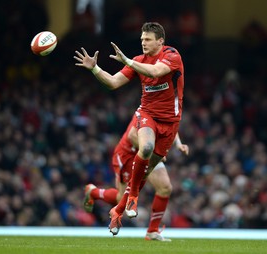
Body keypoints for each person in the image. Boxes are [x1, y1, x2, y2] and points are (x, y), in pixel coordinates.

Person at [74, 22, 185, 236]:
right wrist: (95, 69)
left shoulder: (172, 56)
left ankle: (120, 211)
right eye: (142, 39)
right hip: (146, 118)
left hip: (170, 123)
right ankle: (131, 198)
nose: (143, 42)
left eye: (148, 39)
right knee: (146, 149)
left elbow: (156, 71)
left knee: (155, 181)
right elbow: (113, 82)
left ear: (160, 41)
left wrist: (129, 62)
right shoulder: (137, 61)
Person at [83, 115, 189, 241]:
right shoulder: (147, 109)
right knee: (121, 198)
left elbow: (171, 125)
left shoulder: (167, 106)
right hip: (129, 154)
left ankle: (152, 231)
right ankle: (93, 192)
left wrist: (178, 144)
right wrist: (154, 150)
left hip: (149, 154)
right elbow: (132, 136)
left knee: (165, 187)